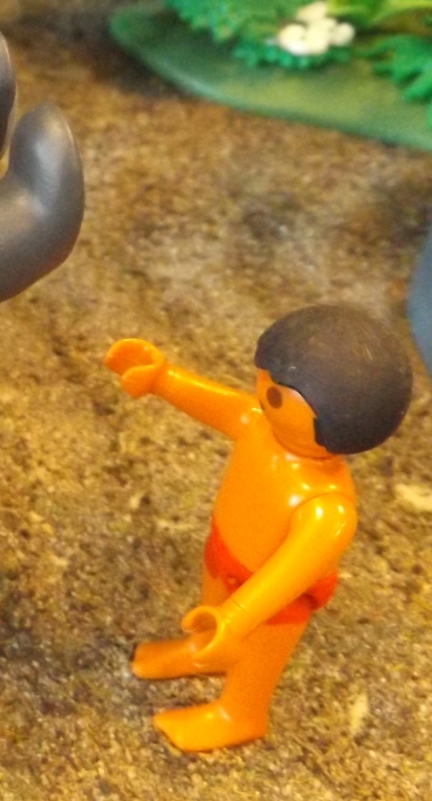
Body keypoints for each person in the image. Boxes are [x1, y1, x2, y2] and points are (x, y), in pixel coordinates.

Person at [105, 305, 412, 751]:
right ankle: (202, 650)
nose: (262, 390)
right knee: (208, 612)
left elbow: (285, 577)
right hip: (223, 553)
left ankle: (240, 712)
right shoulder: (260, 426)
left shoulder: (327, 508)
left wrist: (236, 617)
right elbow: (221, 405)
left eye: (277, 394)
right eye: (265, 375)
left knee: (257, 659)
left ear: (335, 424)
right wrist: (163, 378)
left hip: (268, 606)